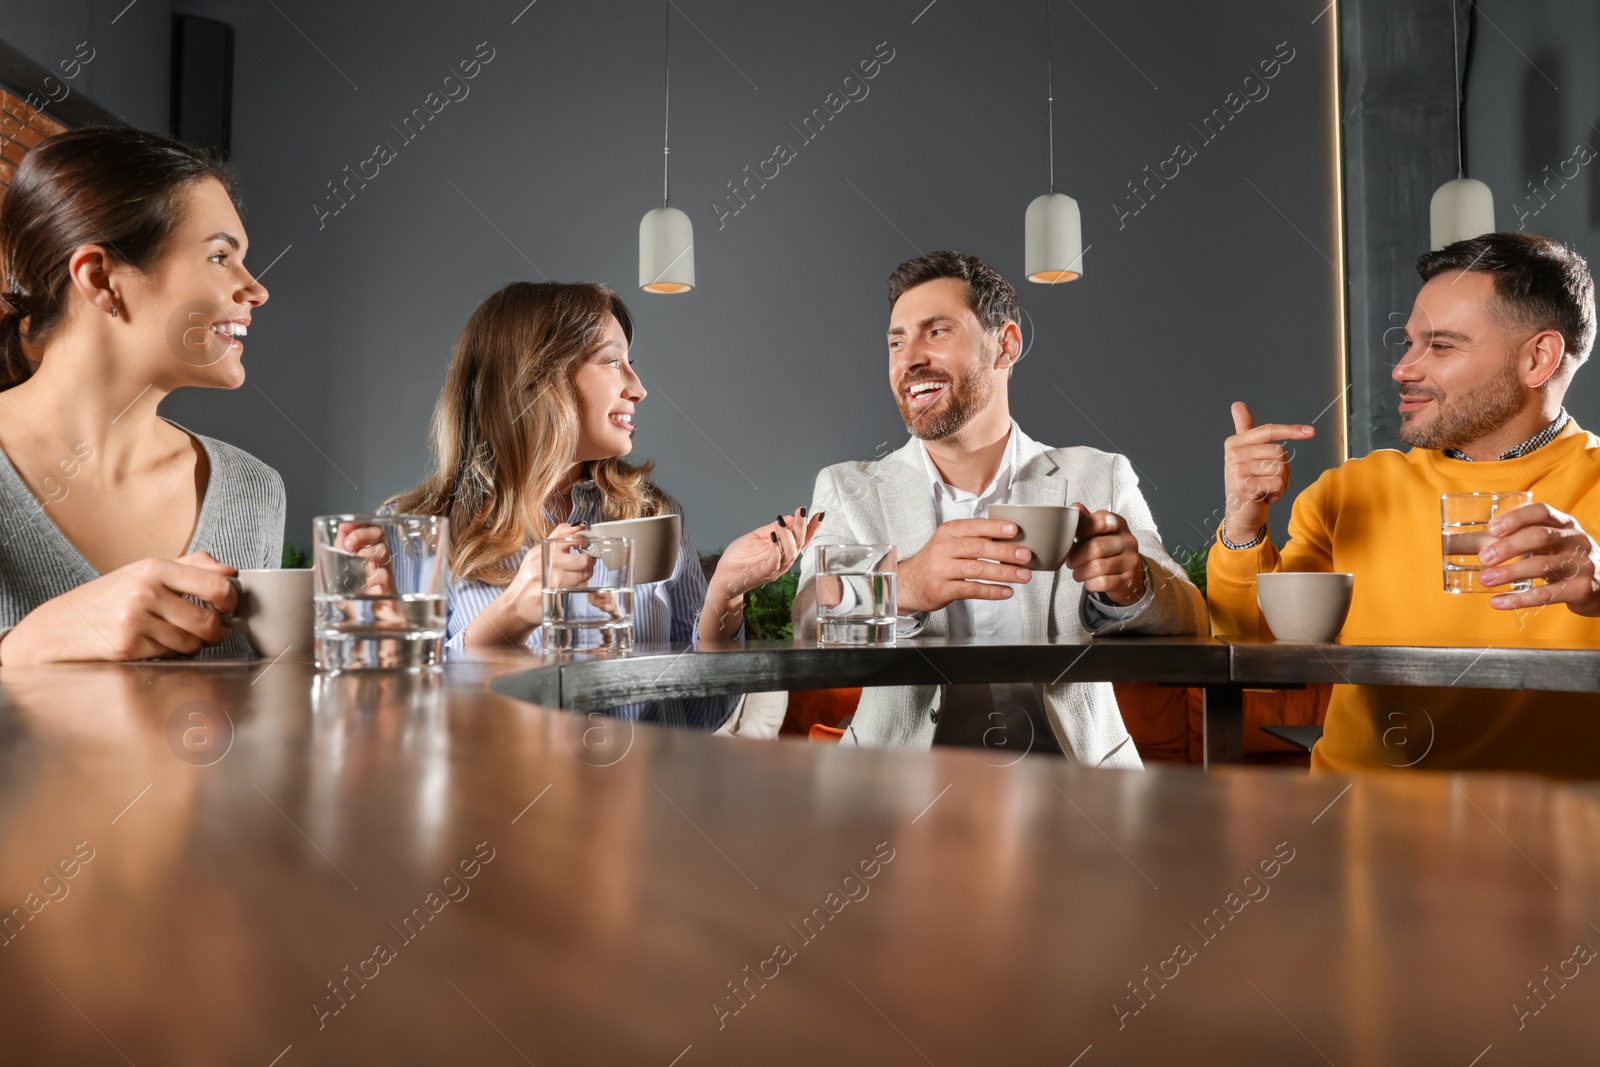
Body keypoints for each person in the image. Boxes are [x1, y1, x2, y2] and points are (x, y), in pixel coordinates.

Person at [1209, 231, 1600, 777]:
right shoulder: (1353, 492)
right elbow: (1251, 650)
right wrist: (1243, 524)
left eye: (1440, 346)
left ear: (1538, 359)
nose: (1403, 369)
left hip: (1553, 843)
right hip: (1359, 833)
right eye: (1410, 343)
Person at [793, 251, 1206, 765]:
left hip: (1078, 796)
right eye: (896, 342)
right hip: (899, 799)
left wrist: (1133, 586)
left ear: (1005, 346)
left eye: (936, 332)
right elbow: (809, 622)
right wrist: (907, 585)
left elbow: (1191, 619)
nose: (908, 359)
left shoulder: (1098, 475)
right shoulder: (848, 488)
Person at [387, 280, 817, 728]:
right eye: (613, 362)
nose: (638, 388)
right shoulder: (416, 532)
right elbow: (410, 719)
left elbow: (698, 716)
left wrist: (724, 595)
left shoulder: (653, 515)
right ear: (536, 378)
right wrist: (511, 614)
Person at [0, 127, 280, 665]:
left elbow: (257, 721)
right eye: (221, 257)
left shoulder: (253, 491)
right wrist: (20, 650)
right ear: (101, 278)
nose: (257, 289)